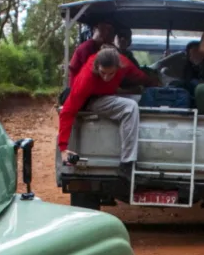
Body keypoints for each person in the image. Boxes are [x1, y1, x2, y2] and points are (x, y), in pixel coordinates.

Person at [58, 46, 155, 178]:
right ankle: (127, 164)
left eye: (111, 74)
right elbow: (67, 112)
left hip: (109, 94)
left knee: (139, 98)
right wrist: (63, 148)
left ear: (118, 67)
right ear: (97, 66)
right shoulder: (86, 78)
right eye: (103, 72)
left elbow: (139, 75)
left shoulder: (124, 63)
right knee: (130, 107)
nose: (106, 77)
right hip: (92, 100)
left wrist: (153, 83)